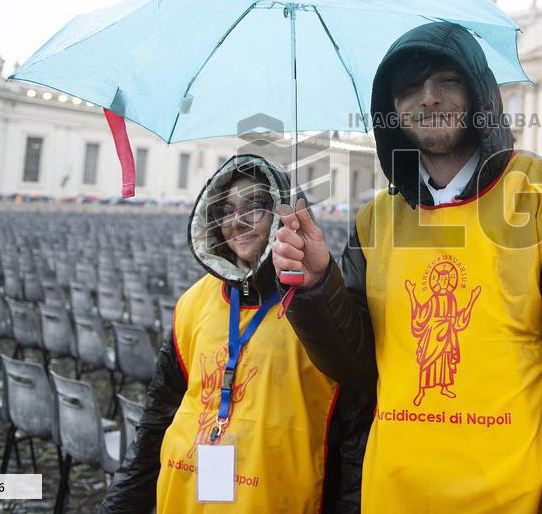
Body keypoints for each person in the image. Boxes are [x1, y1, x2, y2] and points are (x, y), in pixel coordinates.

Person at [274, 22, 542, 513]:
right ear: (391, 111)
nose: (428, 98)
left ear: (480, 93)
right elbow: (359, 368)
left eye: (446, 80)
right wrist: (320, 286)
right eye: (409, 87)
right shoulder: (375, 219)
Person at [100, 154, 368, 514]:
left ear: (281, 213)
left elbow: (353, 447)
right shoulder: (193, 303)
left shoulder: (322, 310)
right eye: (226, 210)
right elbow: (156, 425)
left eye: (254, 207)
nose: (237, 222)